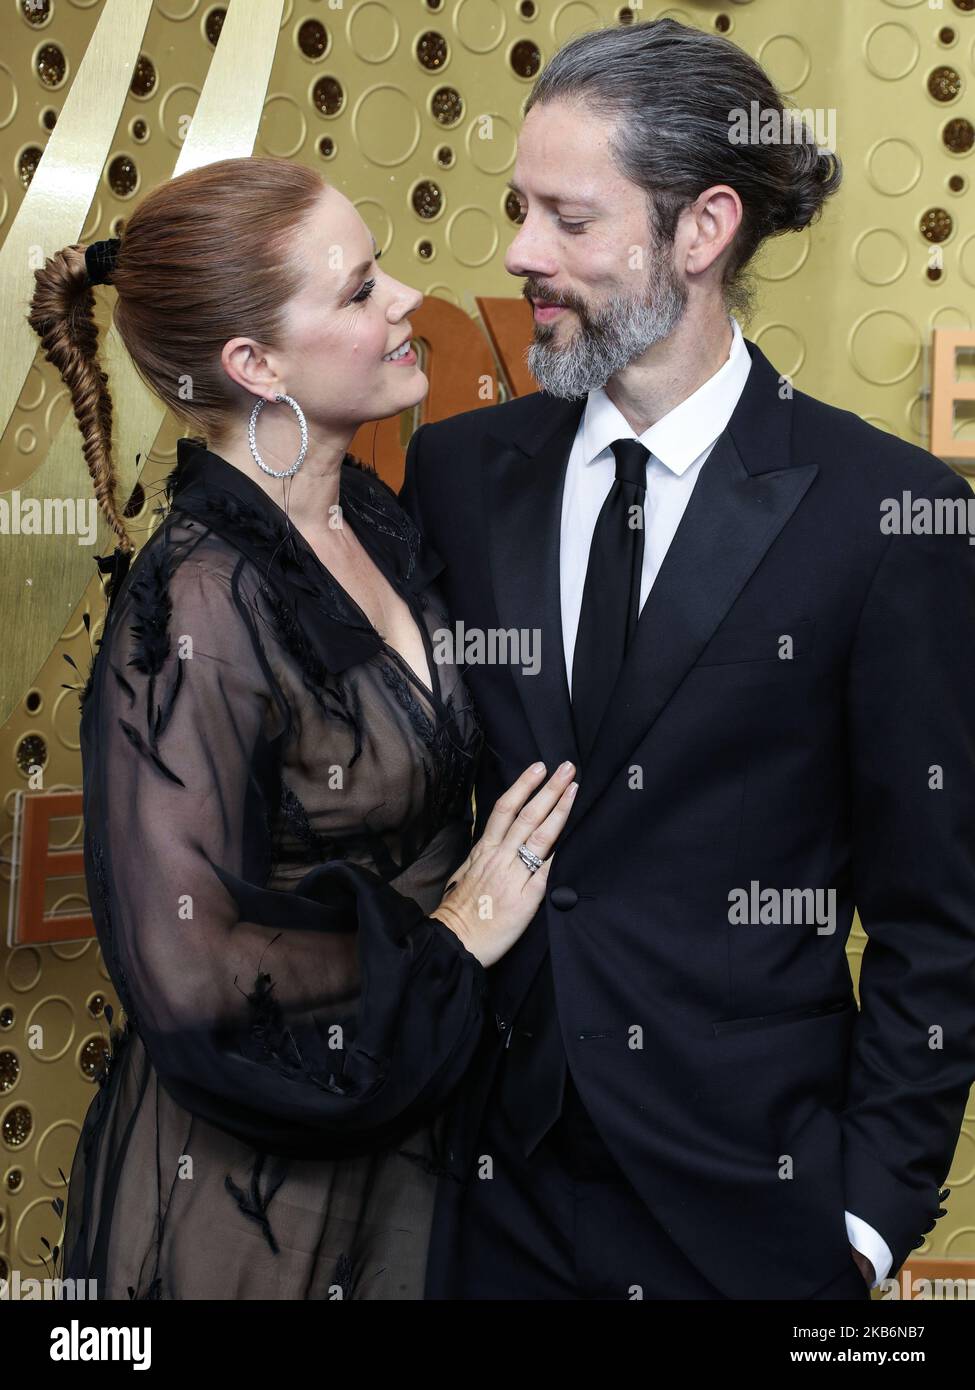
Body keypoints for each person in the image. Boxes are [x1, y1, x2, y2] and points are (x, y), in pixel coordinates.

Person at [401, 17, 975, 1300]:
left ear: (704, 229)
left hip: (750, 1213)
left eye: (571, 218)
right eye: (517, 211)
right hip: (489, 1195)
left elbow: (942, 917)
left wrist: (869, 1220)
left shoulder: (883, 516)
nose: (521, 256)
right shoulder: (459, 472)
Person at [26, 156, 577, 1299]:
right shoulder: (197, 598)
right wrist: (456, 937)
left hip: (416, 1150)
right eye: (360, 288)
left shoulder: (376, 515)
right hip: (252, 1212)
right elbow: (192, 968)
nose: (405, 302)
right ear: (255, 364)